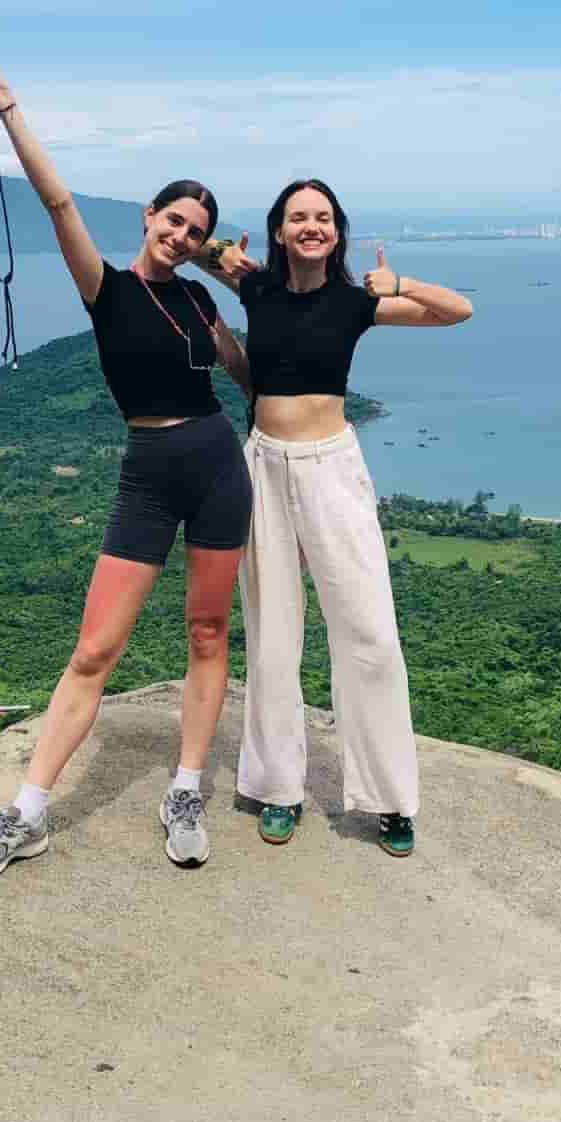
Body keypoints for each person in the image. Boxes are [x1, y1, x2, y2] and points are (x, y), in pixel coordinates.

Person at [0, 58, 254, 878]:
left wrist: (253, 293)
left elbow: (248, 377)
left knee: (208, 632)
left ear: (203, 243)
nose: (180, 235)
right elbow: (58, 203)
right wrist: (10, 110)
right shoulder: (109, 289)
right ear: (151, 217)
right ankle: (28, 812)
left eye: (196, 231)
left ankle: (186, 788)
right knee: (94, 651)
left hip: (221, 466)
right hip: (149, 473)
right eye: (173, 220)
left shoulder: (200, 300)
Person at [200, 179, 472, 858]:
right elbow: (175, 243)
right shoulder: (255, 288)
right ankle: (277, 788)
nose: (311, 226)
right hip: (263, 464)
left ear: (338, 232)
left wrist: (396, 280)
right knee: (271, 637)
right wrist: (219, 255)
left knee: (370, 635)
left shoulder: (358, 301)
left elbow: (457, 311)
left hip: (331, 468)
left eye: (322, 217)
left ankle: (389, 800)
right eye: (298, 217)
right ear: (279, 230)